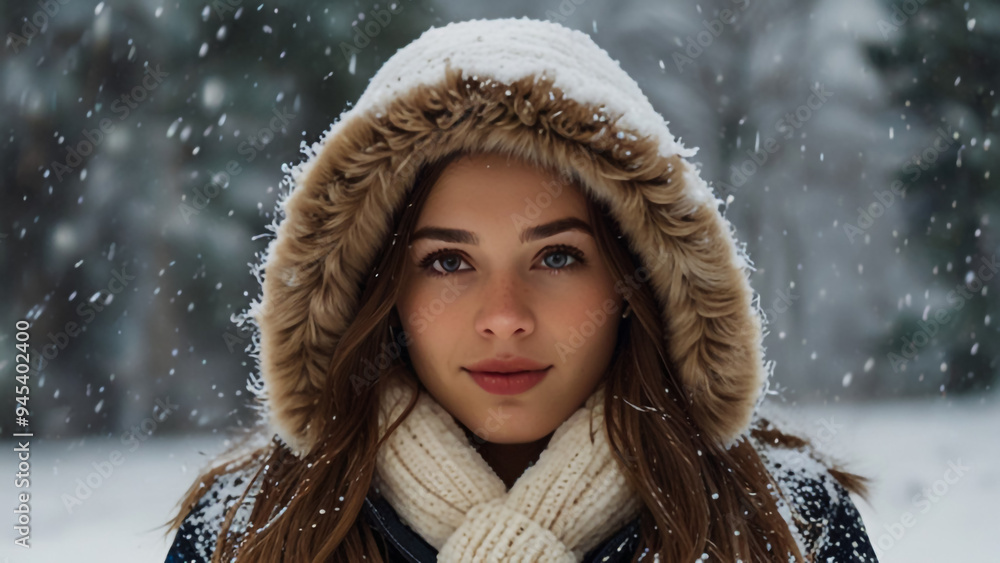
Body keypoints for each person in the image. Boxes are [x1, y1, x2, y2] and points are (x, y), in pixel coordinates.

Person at [163, 17, 879, 562]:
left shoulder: (788, 523)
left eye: (558, 256)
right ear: (377, 290)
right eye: (447, 262)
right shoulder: (244, 531)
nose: (504, 317)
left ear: (636, 279)